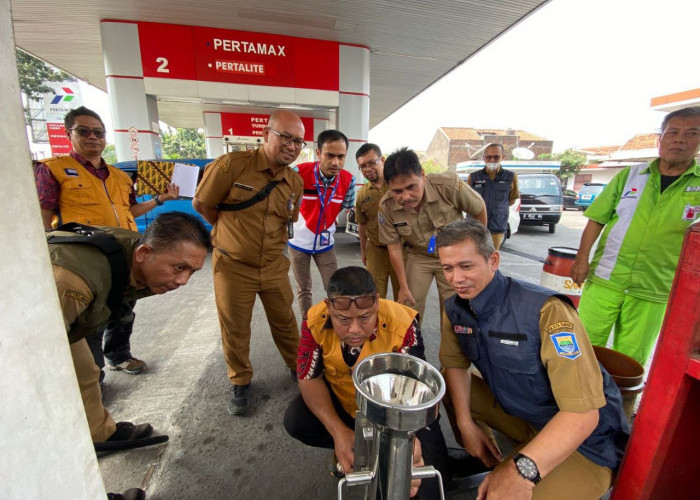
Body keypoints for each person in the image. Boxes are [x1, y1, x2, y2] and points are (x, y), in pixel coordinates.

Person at [436, 218, 629, 500]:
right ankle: (487, 456)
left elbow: (583, 415)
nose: (456, 279)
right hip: (526, 416)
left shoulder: (545, 310)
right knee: (442, 383)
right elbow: (454, 365)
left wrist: (521, 470)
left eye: (466, 266)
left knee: (500, 496)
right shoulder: (455, 308)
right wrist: (466, 427)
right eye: (447, 268)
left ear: (493, 260)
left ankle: (519, 463)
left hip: (587, 443)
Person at [50, 212, 210, 500]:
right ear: (144, 253)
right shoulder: (73, 284)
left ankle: (101, 433)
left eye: (192, 272)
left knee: (86, 371)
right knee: (41, 413)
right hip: (26, 337)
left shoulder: (135, 253)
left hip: (56, 321)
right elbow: (31, 363)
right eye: (179, 267)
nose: (183, 280)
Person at [34, 106, 180, 379]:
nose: (93, 137)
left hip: (123, 257)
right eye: (84, 131)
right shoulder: (53, 170)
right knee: (90, 319)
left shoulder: (120, 177)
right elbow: (42, 217)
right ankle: (92, 374)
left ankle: (118, 355)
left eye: (98, 132)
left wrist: (160, 200)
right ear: (69, 134)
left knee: (123, 310)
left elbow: (131, 210)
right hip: (84, 261)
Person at [283, 266, 449, 499]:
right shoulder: (313, 320)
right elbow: (308, 378)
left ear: (378, 304)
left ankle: (373, 451)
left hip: (400, 416)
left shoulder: (403, 325)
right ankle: (350, 446)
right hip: (346, 408)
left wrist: (408, 442)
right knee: (296, 419)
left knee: (423, 486)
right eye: (342, 319)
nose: (354, 330)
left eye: (364, 317)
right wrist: (339, 433)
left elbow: (415, 392)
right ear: (328, 306)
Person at [192, 109, 305, 416]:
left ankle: (299, 369)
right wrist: (230, 234)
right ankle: (240, 380)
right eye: (286, 137)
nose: (292, 146)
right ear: (266, 134)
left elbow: (289, 221)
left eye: (298, 141)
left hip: (273, 266)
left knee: (286, 322)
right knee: (235, 328)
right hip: (232, 267)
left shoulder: (294, 181)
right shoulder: (231, 166)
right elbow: (202, 204)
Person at [571, 106, 700, 365]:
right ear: (660, 139)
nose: (680, 139)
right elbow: (597, 219)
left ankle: (618, 405)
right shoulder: (629, 176)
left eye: (691, 133)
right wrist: (581, 259)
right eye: (672, 132)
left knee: (629, 360)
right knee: (581, 349)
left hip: (655, 288)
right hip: (607, 278)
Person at [377, 147, 486, 328]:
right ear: (389, 187)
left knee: (455, 310)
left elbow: (479, 209)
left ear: (422, 174)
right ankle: (411, 349)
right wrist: (403, 286)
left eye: (411, 187)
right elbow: (394, 247)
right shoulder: (386, 206)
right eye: (397, 191)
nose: (406, 197)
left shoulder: (447, 186)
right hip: (419, 257)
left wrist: (476, 253)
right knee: (408, 307)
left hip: (454, 257)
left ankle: (453, 353)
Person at [287, 130, 356, 319]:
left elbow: (347, 206)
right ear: (318, 153)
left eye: (341, 156)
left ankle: (337, 324)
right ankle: (308, 325)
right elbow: (284, 203)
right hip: (298, 244)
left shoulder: (349, 181)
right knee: (304, 289)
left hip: (326, 245)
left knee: (335, 288)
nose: (336, 162)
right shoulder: (299, 174)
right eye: (330, 155)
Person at [354, 143, 399, 299]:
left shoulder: (399, 185)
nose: (367, 169)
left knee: (405, 297)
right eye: (363, 166)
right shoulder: (361, 194)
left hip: (401, 249)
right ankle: (378, 324)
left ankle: (406, 324)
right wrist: (363, 251)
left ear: (383, 160)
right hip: (375, 250)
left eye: (372, 162)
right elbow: (362, 225)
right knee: (374, 297)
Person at [466, 143, 519, 250]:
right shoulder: (473, 177)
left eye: (496, 156)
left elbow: (511, 200)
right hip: (475, 226)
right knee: (474, 255)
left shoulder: (511, 177)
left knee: (492, 257)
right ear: (484, 158)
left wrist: (497, 208)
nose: (492, 160)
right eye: (489, 157)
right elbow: (467, 200)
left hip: (497, 226)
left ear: (503, 157)